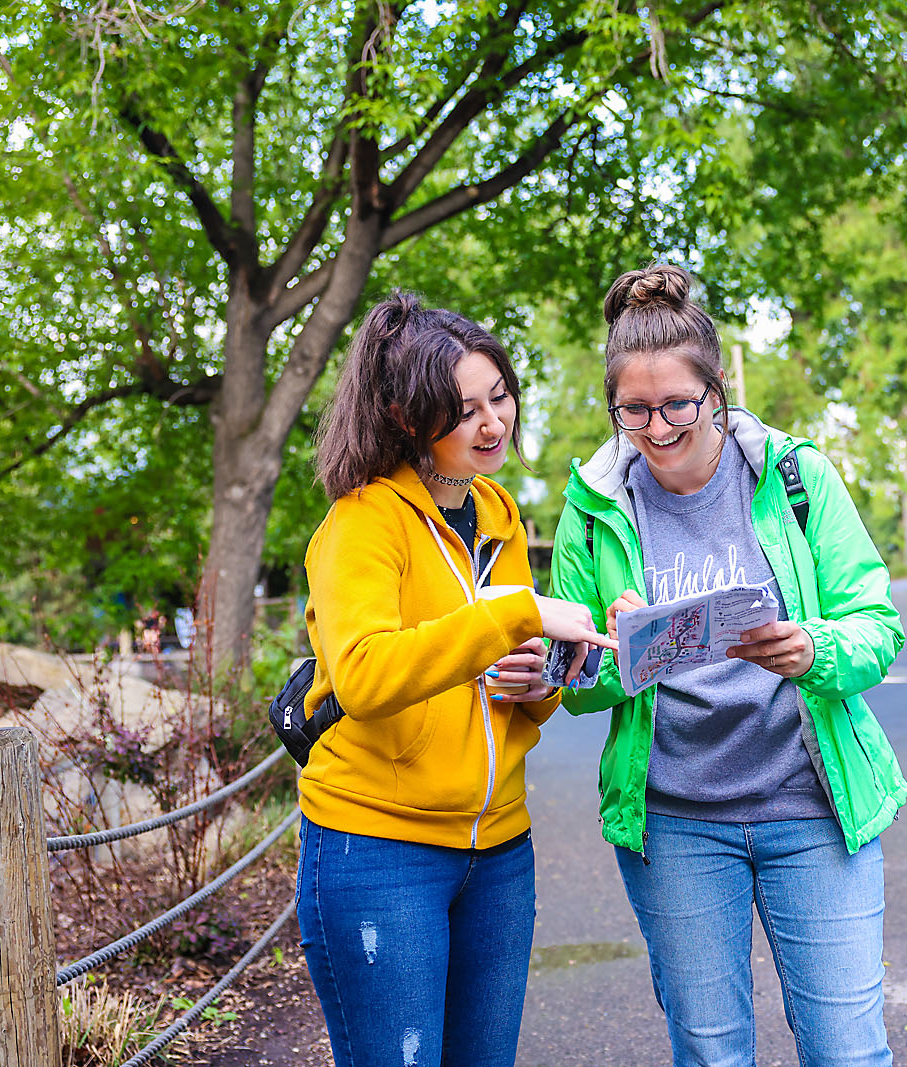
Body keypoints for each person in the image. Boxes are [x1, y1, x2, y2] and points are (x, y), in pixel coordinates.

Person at [549, 264, 907, 1067]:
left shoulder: (796, 476)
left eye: (677, 403)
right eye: (634, 409)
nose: (657, 427)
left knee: (847, 1050)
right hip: (674, 820)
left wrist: (813, 648)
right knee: (711, 1054)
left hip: (812, 806)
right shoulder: (593, 508)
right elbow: (571, 682)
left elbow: (877, 626)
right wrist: (609, 653)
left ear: (716, 390)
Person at [295, 291, 615, 1067]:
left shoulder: (498, 511)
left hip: (501, 850)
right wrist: (513, 614)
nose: (493, 423)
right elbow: (364, 675)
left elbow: (505, 691)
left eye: (499, 396)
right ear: (405, 417)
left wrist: (539, 682)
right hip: (379, 849)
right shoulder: (362, 521)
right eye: (464, 410)